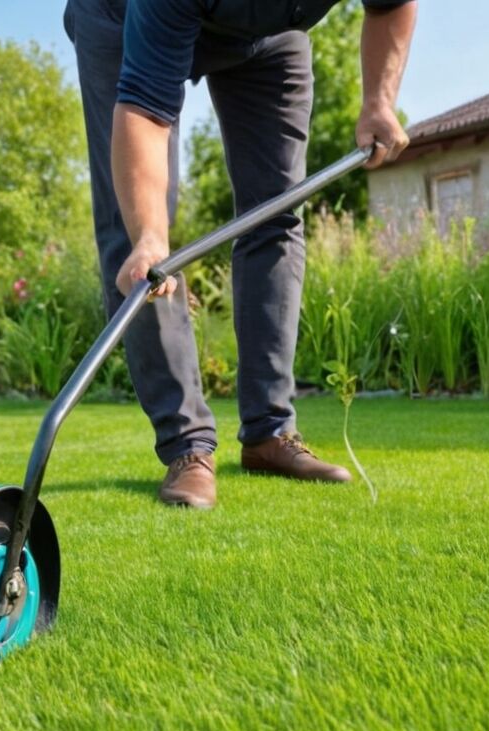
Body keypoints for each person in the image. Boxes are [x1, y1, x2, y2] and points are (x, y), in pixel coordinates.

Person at [64, 0, 416, 509]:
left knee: (277, 212)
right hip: (122, 18)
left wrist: (380, 100)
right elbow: (144, 109)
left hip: (269, 34)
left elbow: (392, 5)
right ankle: (187, 445)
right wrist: (150, 235)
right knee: (137, 233)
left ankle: (269, 433)